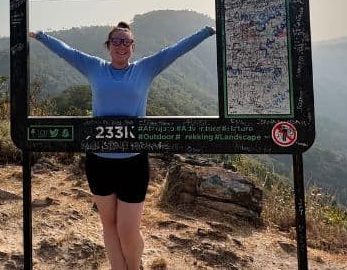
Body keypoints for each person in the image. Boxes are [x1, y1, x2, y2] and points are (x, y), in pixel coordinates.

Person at [29, 21, 216, 270]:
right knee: (109, 225)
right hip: (99, 161)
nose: (121, 46)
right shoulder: (95, 67)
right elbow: (68, 52)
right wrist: (41, 36)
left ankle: (134, 266)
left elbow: (176, 49)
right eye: (116, 41)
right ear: (108, 45)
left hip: (133, 162)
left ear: (132, 46)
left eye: (126, 41)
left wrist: (207, 31)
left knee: (128, 230)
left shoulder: (146, 68)